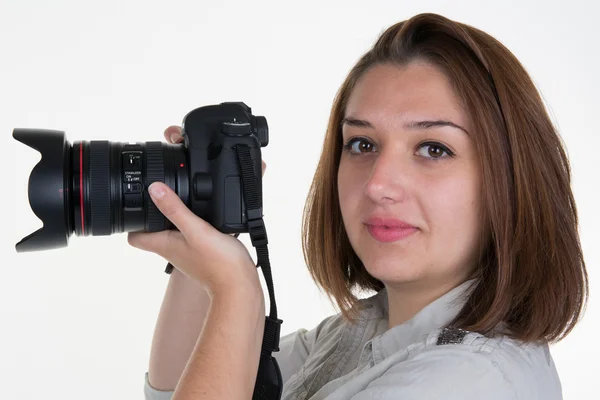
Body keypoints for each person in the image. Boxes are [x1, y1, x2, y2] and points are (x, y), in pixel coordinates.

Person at [130, 12, 589, 400]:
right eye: (363, 143)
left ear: (511, 182)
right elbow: (184, 384)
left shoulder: (468, 382)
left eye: (433, 149)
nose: (378, 184)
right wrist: (204, 211)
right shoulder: (363, 331)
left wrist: (237, 290)